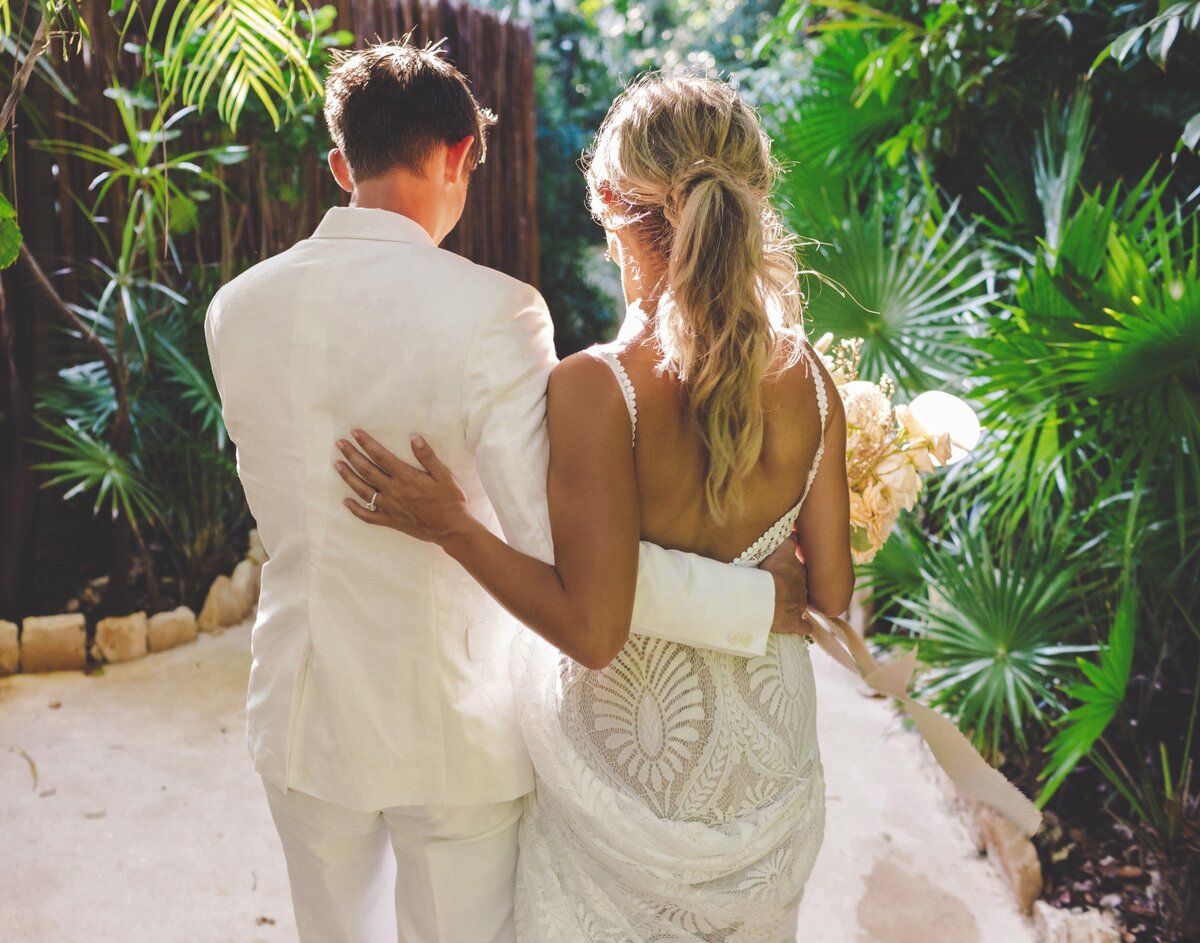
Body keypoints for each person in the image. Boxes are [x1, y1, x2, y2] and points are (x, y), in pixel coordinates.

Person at [205, 45, 811, 943]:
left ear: (342, 167)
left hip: (300, 721)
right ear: (458, 156)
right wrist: (750, 597)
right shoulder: (497, 312)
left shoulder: (236, 308)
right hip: (453, 734)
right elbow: (562, 553)